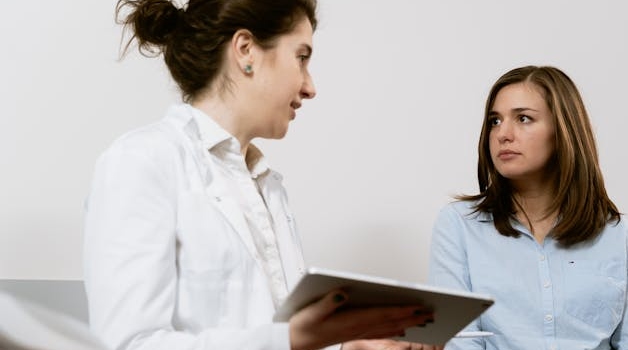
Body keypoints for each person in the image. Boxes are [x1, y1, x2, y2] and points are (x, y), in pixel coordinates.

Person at [83, 1, 441, 349]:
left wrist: (347, 346)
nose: (310, 86)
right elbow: (128, 343)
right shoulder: (141, 162)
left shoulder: (267, 187)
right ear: (246, 50)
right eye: (301, 58)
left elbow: (271, 330)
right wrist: (291, 340)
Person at [427, 65, 628, 350]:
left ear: (563, 131)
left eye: (523, 118)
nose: (503, 134)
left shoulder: (616, 234)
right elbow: (460, 343)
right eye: (495, 121)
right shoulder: (458, 226)